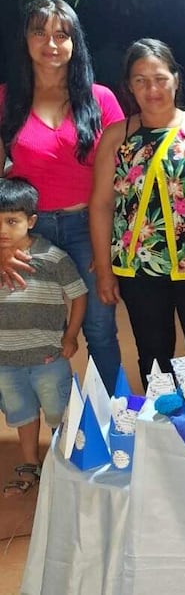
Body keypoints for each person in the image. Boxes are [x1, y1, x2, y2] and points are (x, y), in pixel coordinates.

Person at [0, 0, 124, 394]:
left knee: (100, 329)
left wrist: (108, 246)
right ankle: (48, 420)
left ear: (75, 43)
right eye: (40, 32)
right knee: (32, 329)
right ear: (25, 40)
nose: (51, 44)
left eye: (61, 34)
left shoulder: (100, 99)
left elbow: (122, 178)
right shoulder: (5, 100)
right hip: (28, 233)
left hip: (89, 228)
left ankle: (112, 414)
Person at [89, 39, 185, 387]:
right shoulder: (117, 136)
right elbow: (101, 204)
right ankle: (160, 417)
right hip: (138, 267)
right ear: (129, 87)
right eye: (141, 80)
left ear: (176, 79)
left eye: (160, 78)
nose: (152, 89)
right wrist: (103, 270)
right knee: (153, 355)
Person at [0, 178, 87, 495]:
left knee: (58, 412)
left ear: (32, 221)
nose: (3, 230)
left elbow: (78, 295)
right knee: (22, 414)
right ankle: (30, 464)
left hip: (48, 358)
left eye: (12, 221)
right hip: (6, 361)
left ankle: (64, 464)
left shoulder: (52, 257)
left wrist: (71, 336)